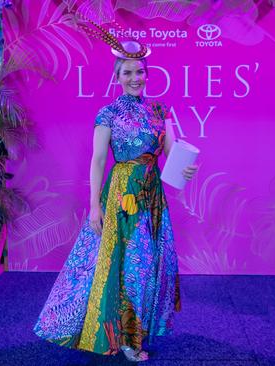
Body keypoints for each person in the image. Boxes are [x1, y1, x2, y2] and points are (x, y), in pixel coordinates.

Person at [33, 40, 197, 362]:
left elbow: (172, 154)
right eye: (127, 73)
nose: (135, 77)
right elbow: (97, 160)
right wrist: (94, 204)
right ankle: (126, 341)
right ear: (117, 76)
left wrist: (185, 167)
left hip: (151, 198)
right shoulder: (107, 113)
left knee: (146, 266)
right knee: (127, 266)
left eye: (140, 72)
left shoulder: (161, 110)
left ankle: (134, 332)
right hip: (121, 197)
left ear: (147, 74)